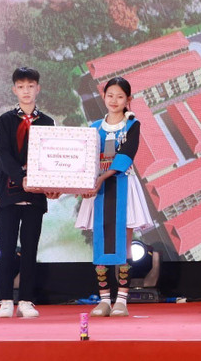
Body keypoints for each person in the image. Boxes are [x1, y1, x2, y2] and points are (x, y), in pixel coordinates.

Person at [75, 76, 154, 317]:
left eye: (120, 96)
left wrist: (103, 176)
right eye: (110, 95)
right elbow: (86, 158)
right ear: (104, 96)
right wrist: (85, 180)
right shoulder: (94, 127)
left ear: (128, 100)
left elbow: (127, 154)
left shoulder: (133, 124)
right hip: (97, 190)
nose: (114, 100)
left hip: (122, 186)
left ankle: (121, 300)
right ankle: (103, 300)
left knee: (124, 246)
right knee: (100, 244)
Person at [0, 67, 57, 318]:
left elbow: (53, 158)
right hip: (10, 191)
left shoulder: (48, 122)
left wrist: (54, 185)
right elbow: (4, 155)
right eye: (21, 87)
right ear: (14, 90)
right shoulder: (6, 120)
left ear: (38, 88)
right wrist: (22, 178)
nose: (26, 91)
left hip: (36, 193)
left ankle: (27, 301)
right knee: (8, 246)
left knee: (30, 247)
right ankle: (6, 300)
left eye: (31, 86)